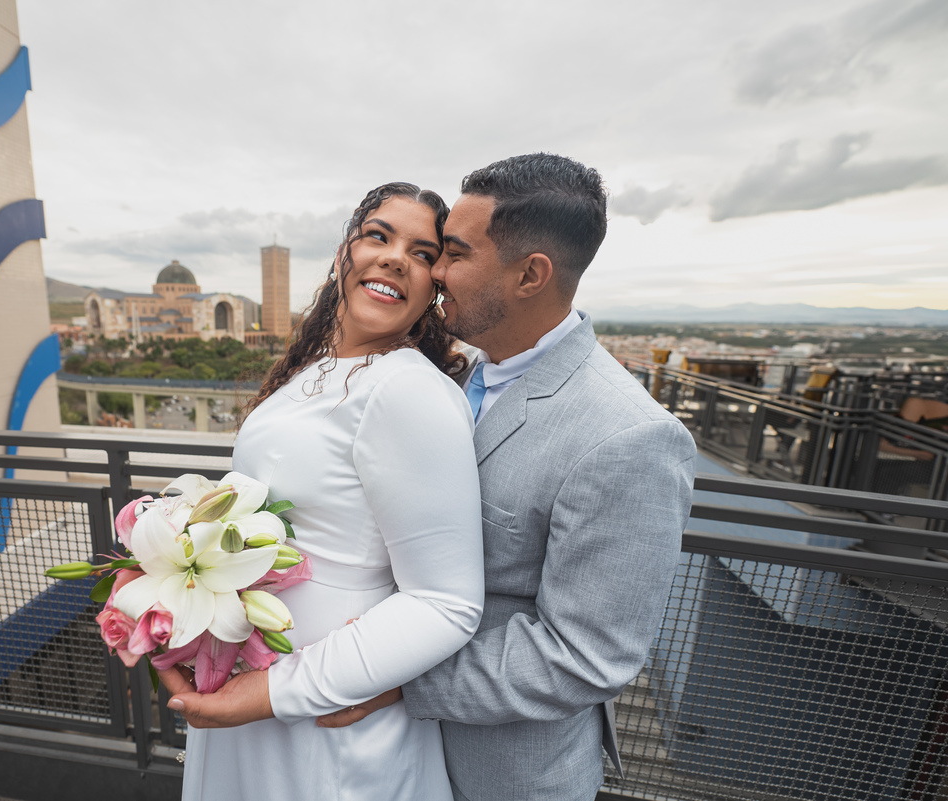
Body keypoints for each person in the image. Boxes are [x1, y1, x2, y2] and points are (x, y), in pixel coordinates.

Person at [317, 153, 697, 800]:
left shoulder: (630, 437)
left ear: (530, 275)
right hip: (388, 756)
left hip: (499, 775)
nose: (433, 273)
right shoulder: (456, 374)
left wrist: (398, 679)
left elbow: (584, 653)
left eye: (454, 254)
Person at [158, 182, 486, 800]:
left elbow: (447, 602)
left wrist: (271, 694)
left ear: (434, 288)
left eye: (421, 253)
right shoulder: (315, 373)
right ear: (344, 255)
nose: (394, 258)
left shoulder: (406, 391)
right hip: (253, 685)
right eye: (378, 236)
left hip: (322, 713)